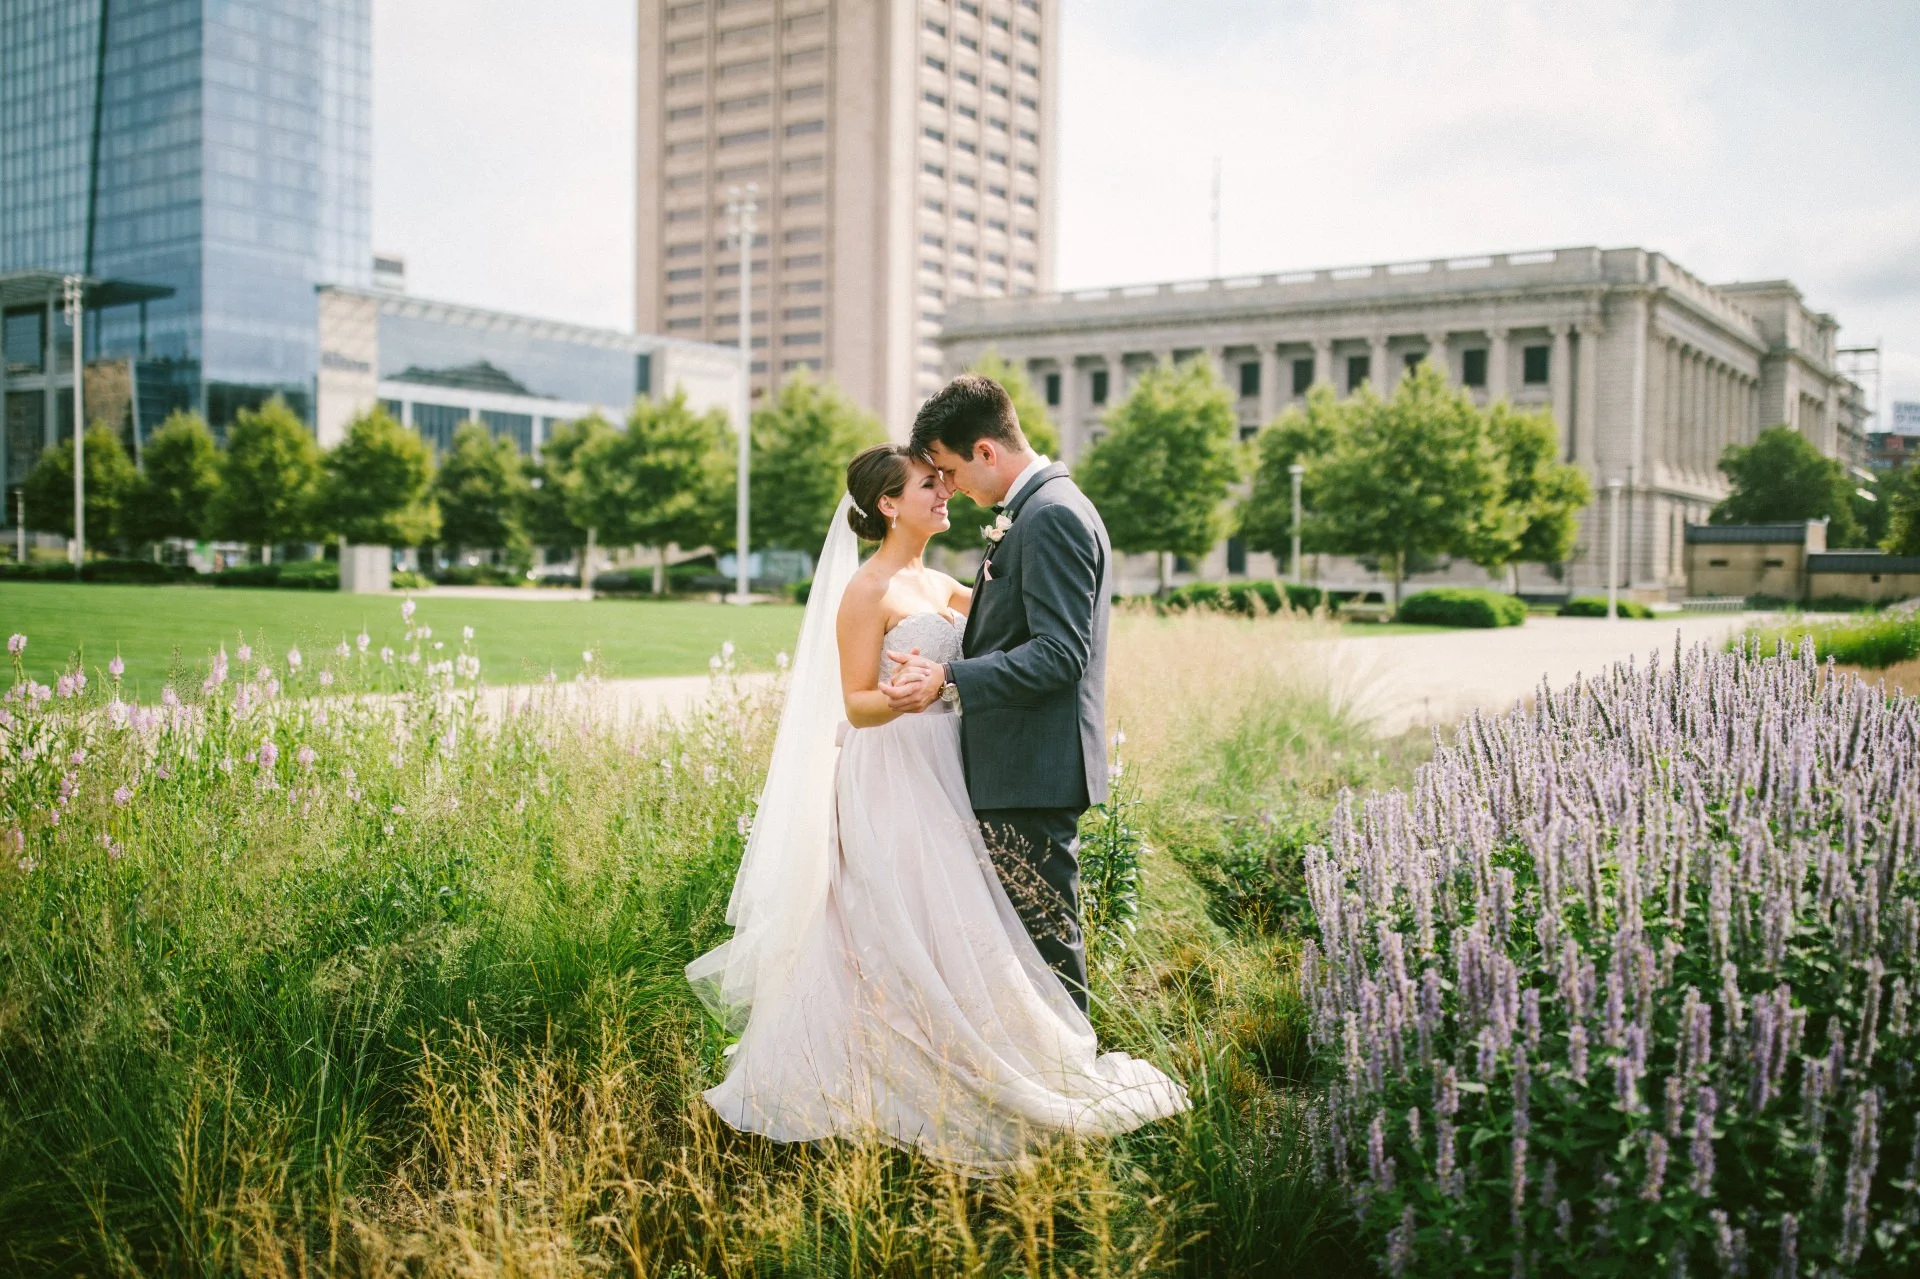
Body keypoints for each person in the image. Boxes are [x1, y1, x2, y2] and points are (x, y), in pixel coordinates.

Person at [686, 411, 1185, 1170]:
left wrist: (951, 683)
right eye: (930, 483)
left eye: (947, 477)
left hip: (945, 769)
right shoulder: (869, 589)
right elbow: (854, 702)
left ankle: (991, 1056)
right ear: (889, 503)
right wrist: (917, 694)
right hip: (890, 772)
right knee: (885, 920)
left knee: (954, 926)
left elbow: (1006, 629)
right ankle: (861, 1075)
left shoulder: (940, 580)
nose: (945, 491)